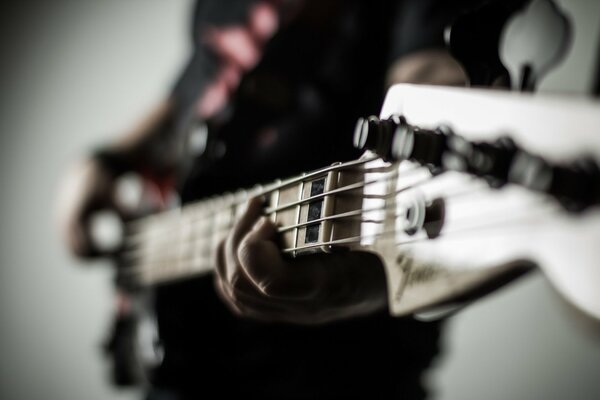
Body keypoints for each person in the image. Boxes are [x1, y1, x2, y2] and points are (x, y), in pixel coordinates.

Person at [60, 0, 481, 398]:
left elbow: (438, 108)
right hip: (188, 349)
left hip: (333, 366)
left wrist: (364, 281)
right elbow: (195, 88)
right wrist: (107, 159)